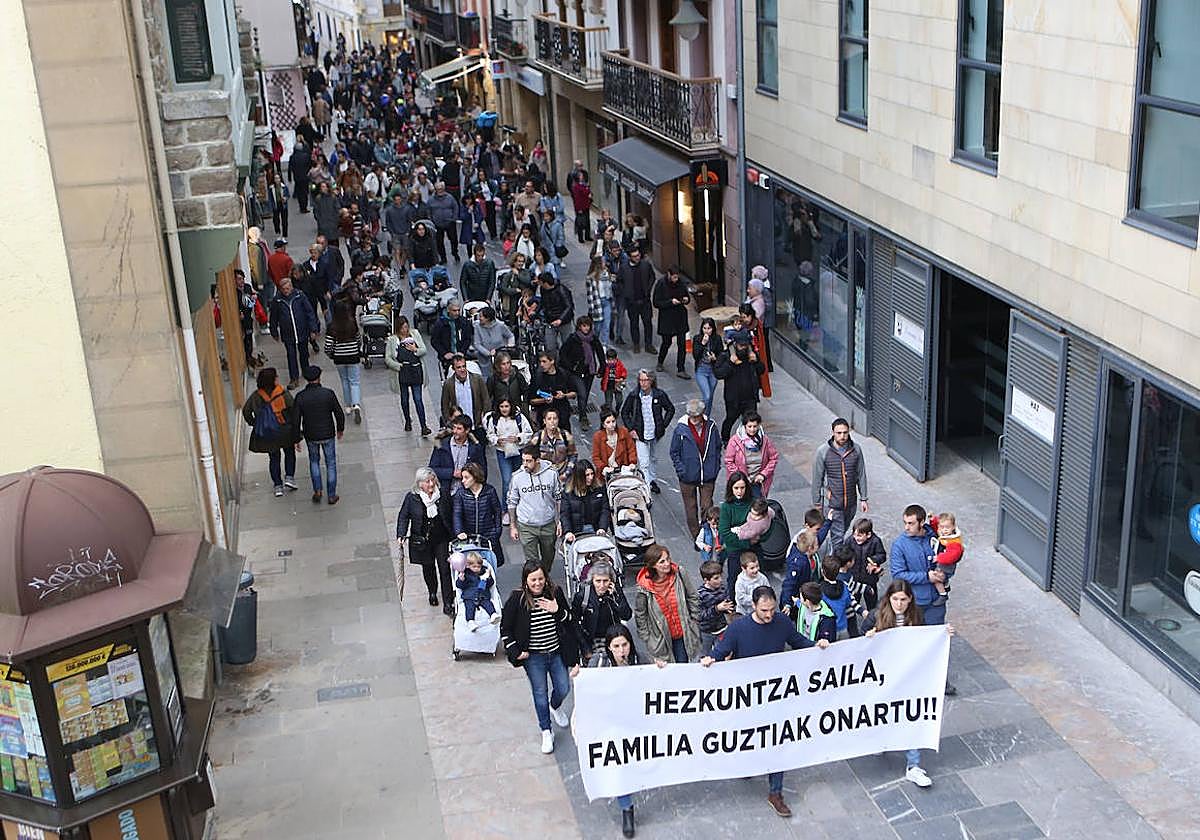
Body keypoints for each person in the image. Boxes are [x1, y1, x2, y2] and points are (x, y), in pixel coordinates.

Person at [700, 584, 830, 818]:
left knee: (777, 741)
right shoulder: (738, 628)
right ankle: (750, 764)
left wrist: (817, 646)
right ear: (753, 606)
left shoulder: (781, 622)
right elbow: (723, 650)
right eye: (764, 611)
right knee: (750, 736)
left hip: (775, 694)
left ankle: (775, 792)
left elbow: (797, 641)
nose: (769, 615)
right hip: (748, 696)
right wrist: (711, 659)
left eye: (772, 610)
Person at [862, 579, 955, 788]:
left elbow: (923, 639)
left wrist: (941, 635)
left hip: (908, 676)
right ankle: (882, 739)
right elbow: (862, 637)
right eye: (895, 599)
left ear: (910, 599)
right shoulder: (878, 615)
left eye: (903, 599)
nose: (899, 604)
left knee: (910, 716)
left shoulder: (916, 616)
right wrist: (869, 637)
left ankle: (913, 765)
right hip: (885, 677)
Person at [499, 561, 578, 755]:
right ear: (526, 580)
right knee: (540, 693)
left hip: (556, 651)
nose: (537, 583)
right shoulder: (517, 599)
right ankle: (546, 730)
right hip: (534, 657)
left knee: (563, 687)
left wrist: (557, 610)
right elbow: (505, 627)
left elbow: (570, 619)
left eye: (540, 579)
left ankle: (556, 706)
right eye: (533, 579)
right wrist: (516, 650)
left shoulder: (555, 592)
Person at [396, 466, 455, 614]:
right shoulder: (412, 498)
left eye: (432, 480)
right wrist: (401, 534)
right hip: (422, 540)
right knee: (428, 568)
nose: (431, 484)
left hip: (441, 538)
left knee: (445, 569)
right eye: (427, 481)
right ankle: (432, 591)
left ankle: (448, 602)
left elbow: (452, 513)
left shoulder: (443, 494)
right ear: (420, 484)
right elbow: (404, 516)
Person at [634, 544, 700, 664]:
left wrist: (694, 619)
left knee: (683, 666)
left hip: (682, 634)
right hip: (661, 638)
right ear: (653, 565)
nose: (667, 563)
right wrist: (647, 638)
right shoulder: (644, 588)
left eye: (668, 559)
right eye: (662, 561)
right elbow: (640, 614)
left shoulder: (680, 574)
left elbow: (692, 596)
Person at [811, 418, 870, 551]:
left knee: (841, 532)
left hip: (851, 502)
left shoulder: (856, 450)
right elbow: (817, 479)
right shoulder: (823, 451)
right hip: (833, 504)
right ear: (833, 432)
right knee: (837, 537)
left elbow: (861, 474)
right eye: (839, 433)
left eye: (845, 432)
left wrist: (864, 498)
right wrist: (817, 503)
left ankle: (831, 555)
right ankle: (836, 566)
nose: (842, 436)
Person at [669, 399, 723, 538]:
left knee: (707, 506)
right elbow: (674, 452)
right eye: (691, 417)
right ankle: (696, 536)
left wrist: (715, 466)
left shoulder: (711, 427)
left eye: (696, 417)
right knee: (691, 508)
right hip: (687, 476)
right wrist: (681, 470)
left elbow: (718, 446)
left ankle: (707, 530)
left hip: (707, 475)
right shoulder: (681, 430)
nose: (694, 420)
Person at [242, 367, 300, 497]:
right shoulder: (282, 393)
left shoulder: (256, 396)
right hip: (284, 430)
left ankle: (278, 485)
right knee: (289, 453)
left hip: (268, 433)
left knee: (274, 458)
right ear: (273, 380)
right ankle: (289, 477)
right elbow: (293, 409)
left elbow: (246, 411)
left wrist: (255, 423)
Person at [293, 365, 345, 505]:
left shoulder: (300, 397)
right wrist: (340, 429)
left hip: (311, 435)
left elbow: (296, 419)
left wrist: (296, 438)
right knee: (331, 463)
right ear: (319, 377)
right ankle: (332, 495)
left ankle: (317, 490)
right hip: (327, 433)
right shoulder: (328, 393)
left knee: (314, 461)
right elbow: (339, 413)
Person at [507, 445, 563, 573]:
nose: (525, 464)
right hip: (526, 525)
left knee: (548, 556)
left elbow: (558, 498)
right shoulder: (517, 477)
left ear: (537, 460)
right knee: (532, 562)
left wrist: (559, 521)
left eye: (528, 461)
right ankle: (538, 581)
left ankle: (545, 576)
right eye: (523, 460)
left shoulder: (551, 473)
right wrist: (513, 525)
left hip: (548, 523)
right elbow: (511, 501)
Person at [619, 369, 674, 494]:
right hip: (640, 434)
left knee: (653, 458)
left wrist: (663, 425)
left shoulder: (659, 395)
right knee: (643, 462)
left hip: (656, 434)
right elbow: (624, 412)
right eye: (641, 380)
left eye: (646, 380)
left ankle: (652, 479)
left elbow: (670, 409)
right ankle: (647, 485)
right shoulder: (634, 396)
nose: (643, 383)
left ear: (651, 381)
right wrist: (631, 429)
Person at [482, 398, 534, 524]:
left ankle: (521, 507)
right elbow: (490, 434)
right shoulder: (494, 420)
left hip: (518, 452)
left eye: (506, 406)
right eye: (502, 406)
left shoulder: (519, 417)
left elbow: (528, 432)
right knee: (507, 481)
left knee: (521, 479)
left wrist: (518, 438)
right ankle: (505, 510)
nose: (504, 409)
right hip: (502, 452)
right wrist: (496, 440)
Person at [569, 561, 631, 658]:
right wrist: (584, 647)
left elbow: (627, 615)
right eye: (598, 581)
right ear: (592, 580)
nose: (602, 585)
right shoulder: (583, 595)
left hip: (613, 638)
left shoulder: (615, 592)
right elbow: (574, 621)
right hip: (592, 639)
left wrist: (616, 598)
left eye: (605, 581)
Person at [714, 330, 766, 441]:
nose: (743, 348)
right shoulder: (726, 355)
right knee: (730, 419)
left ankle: (751, 440)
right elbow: (718, 373)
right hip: (734, 398)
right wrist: (730, 363)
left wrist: (756, 362)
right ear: (735, 344)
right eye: (741, 345)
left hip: (750, 397)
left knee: (751, 421)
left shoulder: (751, 355)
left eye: (745, 345)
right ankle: (725, 439)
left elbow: (761, 370)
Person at [269, 276, 320, 388]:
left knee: (304, 354)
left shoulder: (299, 296)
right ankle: (294, 378)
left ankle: (307, 374)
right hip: (288, 334)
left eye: (288, 288)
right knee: (291, 356)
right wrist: (274, 332)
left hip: (302, 331)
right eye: (284, 289)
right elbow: (273, 317)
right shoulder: (277, 300)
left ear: (291, 287)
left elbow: (309, 312)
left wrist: (313, 329)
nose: (286, 291)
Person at [453, 463, 505, 567]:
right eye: (463, 477)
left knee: (491, 564)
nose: (463, 480)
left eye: (466, 477)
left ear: (475, 477)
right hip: (469, 536)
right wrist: (459, 531)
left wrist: (497, 530)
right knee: (472, 566)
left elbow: (497, 511)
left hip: (488, 535)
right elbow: (457, 514)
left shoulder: (489, 491)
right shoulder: (461, 493)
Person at [559, 316, 604, 430]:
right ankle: (583, 417)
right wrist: (571, 367)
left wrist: (602, 367)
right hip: (577, 372)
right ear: (579, 326)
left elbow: (599, 352)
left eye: (588, 325)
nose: (586, 328)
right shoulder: (573, 339)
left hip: (589, 371)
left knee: (585, 394)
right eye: (584, 326)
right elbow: (563, 353)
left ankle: (582, 411)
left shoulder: (593, 338)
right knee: (582, 393)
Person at [323, 299, 363, 424]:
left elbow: (328, 346)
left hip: (339, 358)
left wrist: (331, 355)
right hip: (353, 356)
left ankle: (347, 406)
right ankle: (356, 404)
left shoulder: (332, 326)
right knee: (354, 381)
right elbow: (358, 339)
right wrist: (357, 349)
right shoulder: (352, 323)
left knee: (344, 381)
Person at [723, 412, 780, 498]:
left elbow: (774, 458)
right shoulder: (735, 441)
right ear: (744, 426)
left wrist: (763, 474)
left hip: (757, 483)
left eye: (755, 426)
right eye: (749, 426)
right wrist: (741, 477)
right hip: (740, 484)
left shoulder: (765, 440)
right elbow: (729, 461)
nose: (752, 429)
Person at [717, 472, 756, 594]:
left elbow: (765, 525)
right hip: (735, 549)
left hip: (753, 548)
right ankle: (733, 600)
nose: (739, 491)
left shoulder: (753, 503)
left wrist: (760, 538)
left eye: (742, 488)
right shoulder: (726, 507)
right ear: (731, 488)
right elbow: (724, 531)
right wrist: (746, 542)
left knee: (755, 577)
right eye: (736, 488)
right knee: (733, 577)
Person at [430, 415, 487, 496]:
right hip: (446, 492)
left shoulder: (475, 448)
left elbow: (482, 470)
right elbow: (432, 469)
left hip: (468, 492)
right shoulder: (442, 446)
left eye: (459, 428)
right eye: (454, 427)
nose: (455, 431)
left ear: (467, 430)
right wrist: (452, 473)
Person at [653, 266, 691, 379]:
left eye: (677, 277)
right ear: (668, 275)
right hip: (667, 318)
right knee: (666, 342)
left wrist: (685, 300)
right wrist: (670, 302)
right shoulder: (661, 284)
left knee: (682, 344)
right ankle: (660, 361)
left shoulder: (681, 283)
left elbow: (687, 297)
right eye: (673, 277)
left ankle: (681, 368)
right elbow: (656, 302)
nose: (675, 279)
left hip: (680, 317)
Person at [617, 246, 655, 354]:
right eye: (634, 256)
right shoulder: (624, 268)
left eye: (638, 255)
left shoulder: (645, 265)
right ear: (629, 257)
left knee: (647, 323)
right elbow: (619, 281)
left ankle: (649, 344)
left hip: (644, 300)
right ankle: (636, 344)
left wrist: (648, 290)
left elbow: (652, 277)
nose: (637, 258)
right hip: (632, 302)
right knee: (634, 324)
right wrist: (625, 293)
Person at [561, 460, 611, 541]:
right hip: (577, 532)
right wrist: (568, 531)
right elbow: (565, 514)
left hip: (596, 529)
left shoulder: (599, 489)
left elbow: (605, 510)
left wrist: (602, 527)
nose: (591, 477)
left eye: (592, 474)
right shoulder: (568, 493)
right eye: (587, 475)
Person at [529, 352, 576, 433]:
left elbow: (574, 393)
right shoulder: (538, 377)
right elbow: (531, 400)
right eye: (540, 362)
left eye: (544, 361)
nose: (541, 365)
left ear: (552, 361)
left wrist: (564, 395)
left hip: (562, 416)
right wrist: (544, 400)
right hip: (544, 418)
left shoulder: (563, 374)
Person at [440, 354, 489, 430]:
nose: (462, 369)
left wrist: (485, 418)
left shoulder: (477, 379)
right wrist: (449, 423)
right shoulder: (448, 384)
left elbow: (486, 400)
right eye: (459, 367)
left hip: (477, 424)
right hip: (459, 427)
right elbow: (445, 405)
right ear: (453, 368)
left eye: (464, 366)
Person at [696, 559, 734, 657]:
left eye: (720, 576)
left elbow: (727, 602)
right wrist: (717, 609)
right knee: (705, 654)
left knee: (722, 653)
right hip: (707, 631)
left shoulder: (723, 588)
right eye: (716, 578)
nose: (720, 580)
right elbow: (699, 616)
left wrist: (728, 608)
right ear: (706, 580)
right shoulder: (701, 594)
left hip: (722, 628)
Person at [846, 518, 886, 612]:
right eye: (854, 534)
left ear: (868, 535)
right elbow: (844, 552)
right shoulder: (850, 540)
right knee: (853, 602)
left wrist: (873, 560)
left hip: (870, 579)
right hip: (854, 579)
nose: (856, 538)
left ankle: (872, 620)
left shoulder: (875, 541)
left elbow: (882, 555)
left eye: (859, 535)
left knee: (872, 603)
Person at [454, 550, 499, 631]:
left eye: (479, 566)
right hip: (469, 596)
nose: (477, 569)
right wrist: (461, 579)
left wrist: (488, 578)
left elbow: (491, 584)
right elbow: (460, 586)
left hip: (482, 595)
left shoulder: (485, 572)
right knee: (469, 608)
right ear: (468, 566)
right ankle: (470, 621)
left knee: (488, 604)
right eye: (474, 567)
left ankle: (493, 614)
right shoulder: (465, 573)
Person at [431, 302, 475, 378]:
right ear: (448, 310)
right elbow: (434, 341)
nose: (457, 313)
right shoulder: (440, 323)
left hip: (461, 355)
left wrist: (462, 351)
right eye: (454, 311)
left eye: (458, 310)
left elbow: (468, 338)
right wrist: (444, 353)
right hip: (447, 358)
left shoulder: (464, 322)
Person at [591, 407, 637, 480]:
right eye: (608, 422)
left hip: (623, 471)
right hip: (606, 474)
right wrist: (604, 468)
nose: (612, 424)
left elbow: (631, 449)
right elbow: (596, 457)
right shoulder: (598, 437)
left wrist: (632, 462)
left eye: (613, 421)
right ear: (603, 425)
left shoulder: (624, 432)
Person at [532, 408, 576, 480]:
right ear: (544, 421)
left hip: (563, 475)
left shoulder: (565, 435)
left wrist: (567, 473)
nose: (552, 421)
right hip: (544, 476)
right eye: (549, 419)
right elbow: (531, 455)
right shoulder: (538, 437)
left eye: (555, 418)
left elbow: (573, 455)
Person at [930, 512, 964, 606]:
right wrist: (933, 520)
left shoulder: (954, 542)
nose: (944, 530)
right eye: (942, 527)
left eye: (947, 527)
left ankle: (943, 594)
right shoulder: (944, 533)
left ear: (953, 527)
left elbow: (951, 556)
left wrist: (938, 558)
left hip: (946, 566)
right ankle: (946, 584)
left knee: (936, 578)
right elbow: (936, 527)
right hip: (942, 563)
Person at [472, 307, 513, 382]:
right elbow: (477, 344)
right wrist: (488, 353)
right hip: (484, 357)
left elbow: (510, 336)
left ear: (488, 318)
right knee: (487, 378)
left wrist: (509, 346)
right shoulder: (477, 326)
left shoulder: (500, 325)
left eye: (481, 316)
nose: (479, 318)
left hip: (500, 354)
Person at [539, 272, 575, 353]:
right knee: (550, 346)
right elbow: (543, 302)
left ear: (545, 283)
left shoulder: (561, 290)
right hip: (550, 320)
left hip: (564, 321)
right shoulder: (543, 290)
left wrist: (560, 319)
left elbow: (568, 306)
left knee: (567, 344)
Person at [487, 351, 529, 417]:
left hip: (516, 411)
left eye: (508, 363)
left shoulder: (518, 376)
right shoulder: (493, 379)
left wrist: (524, 407)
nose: (507, 366)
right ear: (498, 366)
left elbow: (526, 392)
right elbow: (488, 397)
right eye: (503, 364)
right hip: (500, 413)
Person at [734, 551, 770, 616]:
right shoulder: (740, 582)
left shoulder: (762, 578)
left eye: (757, 566)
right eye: (752, 568)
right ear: (743, 569)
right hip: (745, 612)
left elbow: (768, 590)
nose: (756, 570)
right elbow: (741, 598)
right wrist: (757, 599)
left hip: (760, 610)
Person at [600, 347, 628, 413]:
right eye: (609, 360)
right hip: (608, 386)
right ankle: (610, 412)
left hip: (617, 385)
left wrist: (622, 377)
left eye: (613, 360)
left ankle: (617, 409)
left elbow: (624, 371)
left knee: (619, 400)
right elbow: (601, 372)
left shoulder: (619, 364)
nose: (611, 362)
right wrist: (600, 373)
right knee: (608, 402)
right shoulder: (605, 365)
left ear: (616, 359)